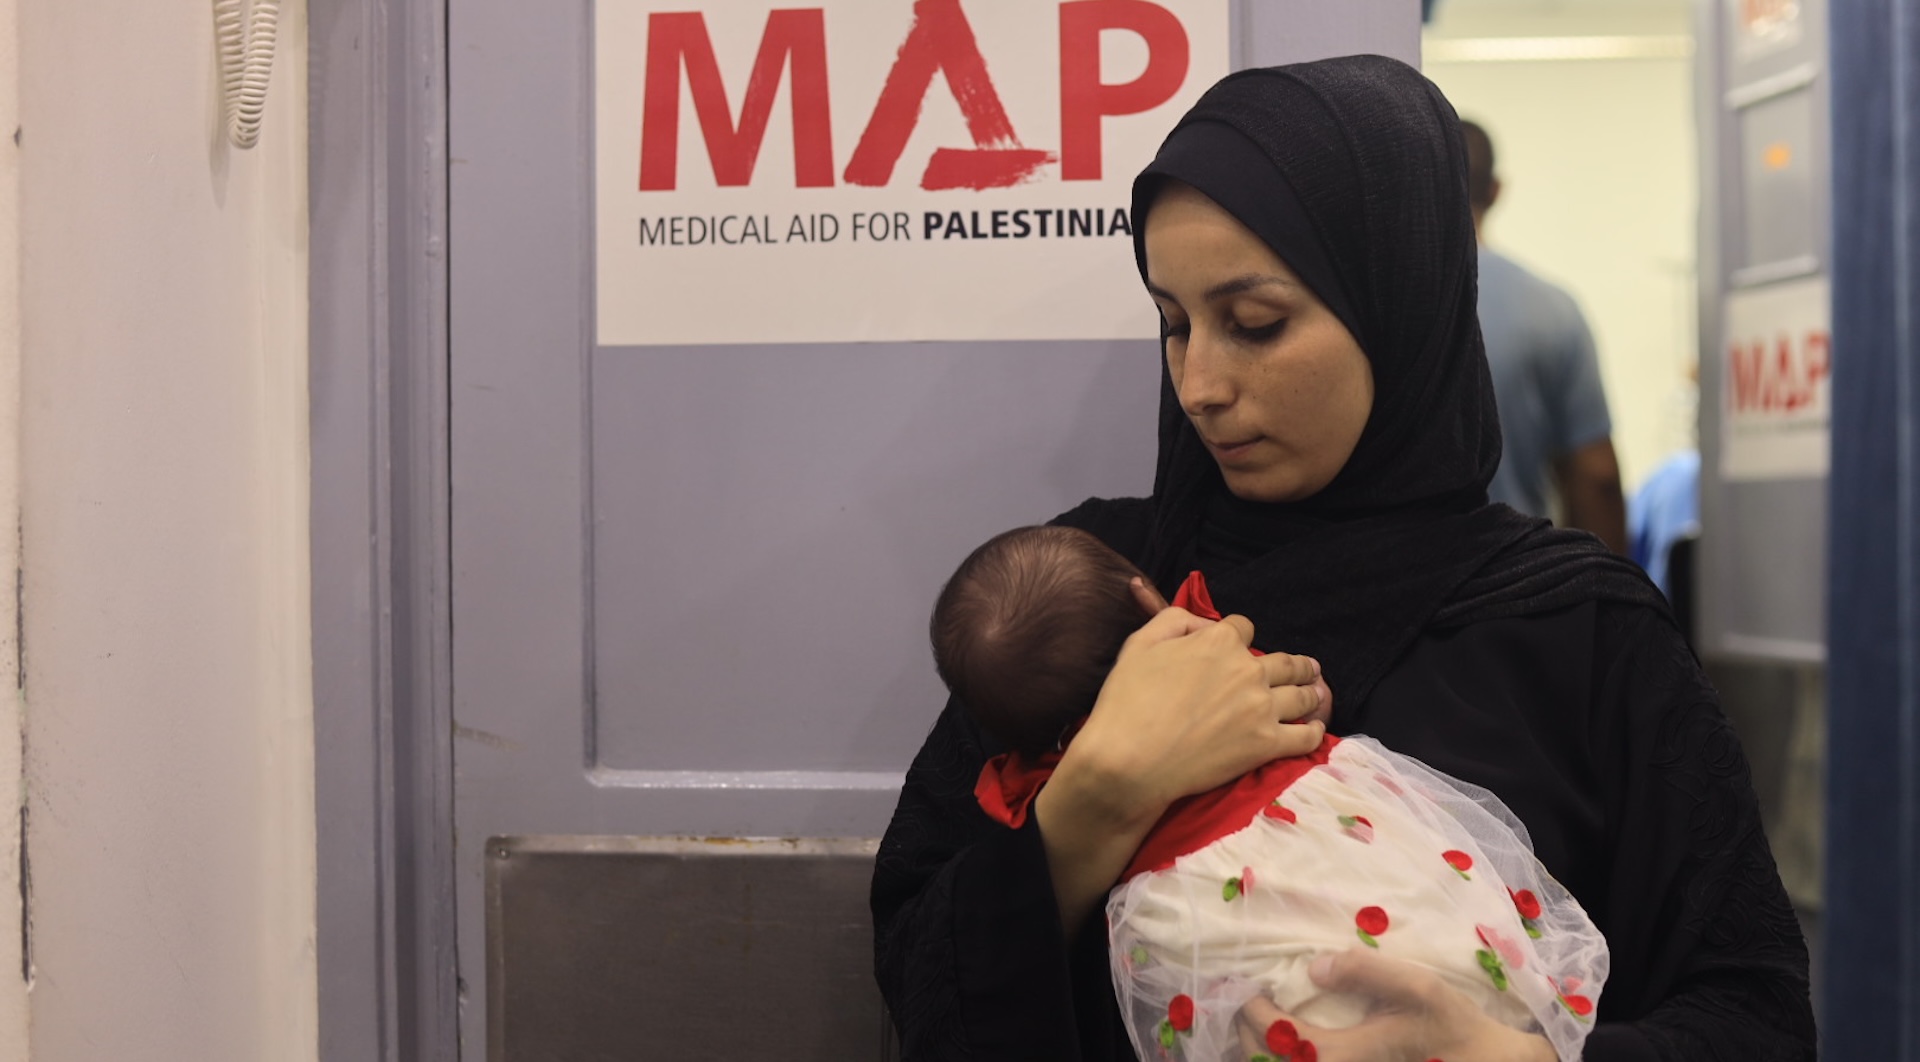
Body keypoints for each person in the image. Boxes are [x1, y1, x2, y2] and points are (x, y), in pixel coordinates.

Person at [871, 55, 1814, 1061]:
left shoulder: (1578, 629)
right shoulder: (1097, 590)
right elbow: (918, 976)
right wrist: (1093, 800)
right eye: (1174, 323)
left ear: (1394, 305)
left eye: (1255, 324)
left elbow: (1754, 1015)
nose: (1199, 385)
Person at [930, 525, 1609, 1062]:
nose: (1204, 388)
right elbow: (1309, 699)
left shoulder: (1028, 775)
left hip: (1201, 916)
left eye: (1256, 336)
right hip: (1364, 866)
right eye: (1180, 339)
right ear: (1146, 599)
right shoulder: (1207, 642)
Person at [1460, 118, 1629, 554]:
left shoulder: (1377, 309)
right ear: (1495, 191)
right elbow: (1597, 476)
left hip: (1404, 590)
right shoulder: (1550, 308)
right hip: (1519, 583)